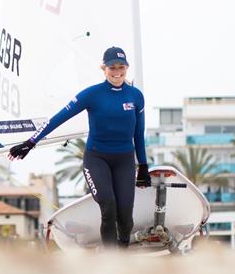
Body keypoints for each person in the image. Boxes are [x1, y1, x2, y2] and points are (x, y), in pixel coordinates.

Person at [8, 46, 151, 248]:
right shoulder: (92, 95)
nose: (117, 72)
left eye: (121, 67)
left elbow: (139, 133)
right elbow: (59, 118)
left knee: (126, 218)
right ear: (104, 68)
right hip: (97, 159)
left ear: (127, 67)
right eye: (112, 67)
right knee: (108, 207)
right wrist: (31, 142)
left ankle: (122, 253)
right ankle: (111, 262)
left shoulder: (136, 96)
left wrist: (143, 166)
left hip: (125, 160)